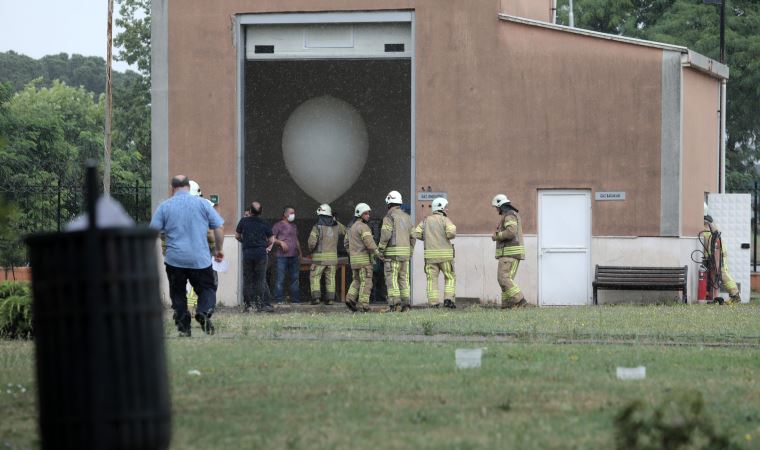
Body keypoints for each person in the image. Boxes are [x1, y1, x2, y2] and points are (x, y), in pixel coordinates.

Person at [150, 175, 224, 336]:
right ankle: (204, 311)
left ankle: (184, 328)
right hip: (200, 260)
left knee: (178, 294)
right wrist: (219, 249)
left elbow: (153, 232)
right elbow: (218, 227)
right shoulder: (203, 204)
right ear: (188, 187)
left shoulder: (165, 206)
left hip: (174, 259)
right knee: (206, 289)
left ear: (172, 187)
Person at [412, 197, 457, 308]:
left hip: (430, 258)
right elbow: (451, 233)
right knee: (450, 277)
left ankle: (433, 304)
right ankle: (448, 300)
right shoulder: (445, 219)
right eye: (446, 207)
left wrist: (427, 237)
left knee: (432, 280)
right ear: (441, 207)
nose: (447, 209)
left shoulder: (426, 220)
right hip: (445, 257)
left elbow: (416, 233)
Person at [378, 191, 415, 312]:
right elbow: (413, 236)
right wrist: (410, 251)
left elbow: (385, 234)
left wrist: (380, 250)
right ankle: (406, 304)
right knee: (403, 279)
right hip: (405, 255)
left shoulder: (389, 217)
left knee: (392, 279)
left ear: (389, 203)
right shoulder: (407, 217)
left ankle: (395, 304)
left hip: (392, 255)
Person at [236, 201, 275, 313]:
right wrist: (263, 245)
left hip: (248, 253)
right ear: (261, 211)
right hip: (261, 254)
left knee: (247, 280)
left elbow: (237, 236)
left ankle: (247, 306)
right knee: (260, 279)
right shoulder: (264, 222)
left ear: (250, 211)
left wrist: (245, 241)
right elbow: (272, 239)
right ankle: (260, 305)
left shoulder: (243, 221)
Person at [491, 194, 527, 308]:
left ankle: (520, 300)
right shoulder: (511, 215)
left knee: (503, 278)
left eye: (496, 207)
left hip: (509, 254)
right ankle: (507, 305)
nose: (496, 210)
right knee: (505, 281)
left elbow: (511, 232)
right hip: (511, 254)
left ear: (500, 206)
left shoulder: (509, 216)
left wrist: (497, 236)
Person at [345, 203, 382, 312]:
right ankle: (363, 305)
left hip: (354, 261)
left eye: (368, 213)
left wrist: (353, 253)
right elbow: (370, 243)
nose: (368, 216)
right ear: (360, 214)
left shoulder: (351, 228)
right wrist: (378, 254)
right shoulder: (364, 227)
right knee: (366, 282)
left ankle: (350, 298)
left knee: (356, 281)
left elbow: (346, 243)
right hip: (364, 262)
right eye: (366, 213)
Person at [307, 204, 346, 305]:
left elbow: (311, 243)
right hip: (332, 259)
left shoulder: (317, 227)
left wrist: (311, 250)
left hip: (319, 260)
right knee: (331, 278)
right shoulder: (337, 225)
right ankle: (330, 299)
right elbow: (347, 231)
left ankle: (316, 298)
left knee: (315, 277)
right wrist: (335, 220)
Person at [701, 213, 741, 304]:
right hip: (713, 253)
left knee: (722, 273)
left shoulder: (708, 227)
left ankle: (735, 294)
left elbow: (715, 241)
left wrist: (717, 259)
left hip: (718, 252)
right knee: (714, 276)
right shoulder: (707, 227)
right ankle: (714, 298)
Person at [271, 205, 302, 304]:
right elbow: (271, 239)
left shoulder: (294, 226)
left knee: (294, 278)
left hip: (294, 256)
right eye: (291, 213)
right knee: (280, 278)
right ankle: (278, 300)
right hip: (281, 257)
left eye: (294, 213)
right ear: (285, 214)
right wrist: (280, 242)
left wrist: (300, 252)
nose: (293, 215)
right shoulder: (278, 225)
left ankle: (295, 300)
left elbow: (296, 240)